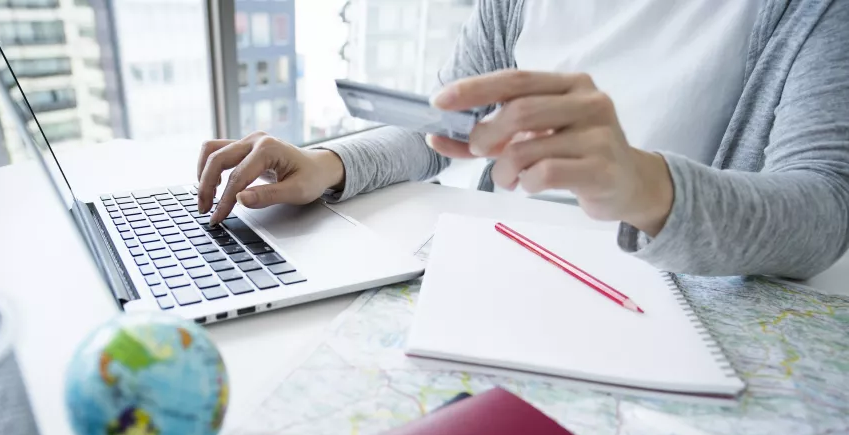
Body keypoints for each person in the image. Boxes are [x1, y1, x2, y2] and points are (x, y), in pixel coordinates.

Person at [195, 0, 849, 279]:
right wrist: (328, 162)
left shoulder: (809, 12)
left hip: (670, 301)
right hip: (504, 266)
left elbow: (825, 207)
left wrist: (645, 186)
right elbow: (442, 131)